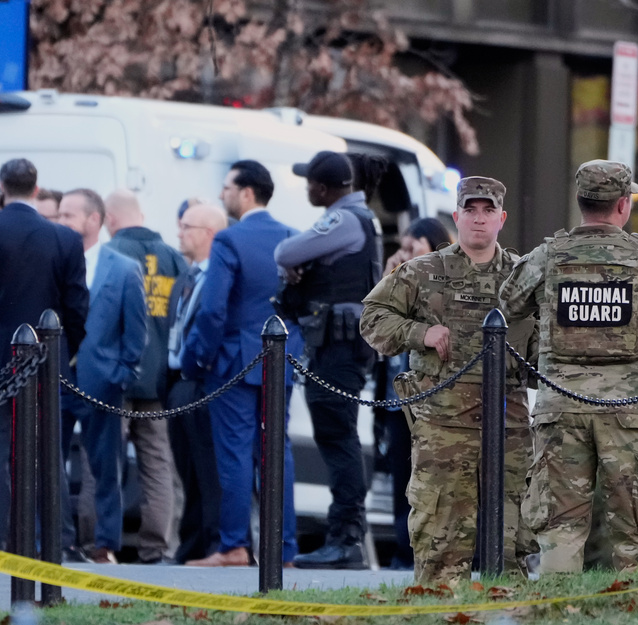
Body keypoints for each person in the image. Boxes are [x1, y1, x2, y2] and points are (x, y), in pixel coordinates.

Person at [500, 160, 638, 573]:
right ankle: (637, 620)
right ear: (623, 205)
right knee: (636, 531)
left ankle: (554, 620)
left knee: (559, 530)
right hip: (627, 414)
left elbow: (506, 304)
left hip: (560, 409)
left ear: (581, 203)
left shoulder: (547, 257)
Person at [361, 177, 537, 583]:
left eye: (488, 211)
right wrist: (419, 333)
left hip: (508, 426)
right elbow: (372, 318)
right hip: (443, 428)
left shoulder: (523, 277)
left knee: (511, 539)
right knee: (441, 540)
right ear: (456, 217)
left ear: (502, 218)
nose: (479, 219)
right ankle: (438, 621)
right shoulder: (422, 272)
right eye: (470, 211)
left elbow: (548, 340)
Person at [0, 158, 89, 551]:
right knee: (47, 450)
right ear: (37, 189)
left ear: (1, 187)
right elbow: (76, 305)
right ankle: (57, 540)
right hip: (43, 360)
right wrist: (63, 351)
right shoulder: (64, 239)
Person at [183, 160, 300, 567]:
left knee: (233, 455)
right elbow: (300, 308)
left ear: (247, 193)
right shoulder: (293, 237)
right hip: (280, 360)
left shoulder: (229, 240)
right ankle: (283, 550)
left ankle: (234, 546)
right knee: (276, 452)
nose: (222, 194)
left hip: (233, 362)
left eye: (227, 188)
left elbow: (212, 311)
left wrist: (196, 358)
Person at [275, 151, 382, 570]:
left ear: (323, 187)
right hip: (338, 346)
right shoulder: (361, 219)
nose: (306, 189)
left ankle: (345, 538)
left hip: (338, 348)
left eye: (309, 183)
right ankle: (344, 536)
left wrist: (296, 267)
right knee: (337, 437)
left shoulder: (344, 219)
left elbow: (285, 252)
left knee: (338, 440)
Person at [57, 188, 148, 564]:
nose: (60, 221)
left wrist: (120, 373)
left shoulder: (123, 268)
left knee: (106, 466)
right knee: (49, 461)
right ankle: (58, 540)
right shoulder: (55, 262)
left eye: (67, 215)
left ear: (93, 220)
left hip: (102, 382)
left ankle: (105, 544)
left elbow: (136, 331)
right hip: (57, 378)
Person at [104, 189, 187, 563]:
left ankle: (99, 545)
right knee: (157, 464)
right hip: (158, 381)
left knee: (105, 461)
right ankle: (157, 547)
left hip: (115, 378)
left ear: (110, 219)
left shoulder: (110, 255)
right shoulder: (172, 256)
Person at [375, 217, 452, 571]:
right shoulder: (399, 282)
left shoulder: (438, 280)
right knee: (400, 479)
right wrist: (390, 279)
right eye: (402, 248)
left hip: (433, 399)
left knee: (434, 480)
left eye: (412, 248)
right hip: (397, 401)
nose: (403, 255)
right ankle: (402, 552)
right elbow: (379, 332)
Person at [167, 203, 228, 563]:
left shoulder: (217, 278)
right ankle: (189, 544)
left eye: (187, 226)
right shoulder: (186, 277)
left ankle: (213, 541)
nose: (179, 232)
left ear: (208, 234)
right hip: (178, 382)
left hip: (203, 382)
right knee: (185, 469)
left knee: (208, 469)